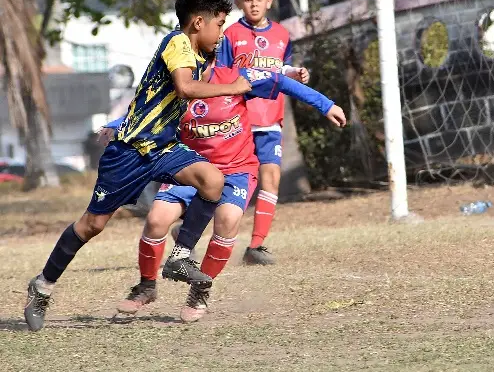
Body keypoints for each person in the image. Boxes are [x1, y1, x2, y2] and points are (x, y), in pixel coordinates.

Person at [23, 0, 252, 332]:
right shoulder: (177, 42)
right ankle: (42, 286)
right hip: (128, 153)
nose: (222, 33)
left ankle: (179, 256)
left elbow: (152, 96)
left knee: (212, 180)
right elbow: (185, 89)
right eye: (219, 25)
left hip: (163, 149)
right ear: (197, 23)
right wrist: (234, 86)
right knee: (92, 226)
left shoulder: (203, 56)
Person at [115, 61, 345, 322]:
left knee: (228, 220)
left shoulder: (238, 77)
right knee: (156, 219)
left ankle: (200, 290)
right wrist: (114, 126)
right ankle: (146, 287)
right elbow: (142, 113)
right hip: (191, 168)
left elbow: (283, 83)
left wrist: (326, 105)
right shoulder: (172, 85)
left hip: (235, 171)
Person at [217, 0, 307, 265]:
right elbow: (220, 76)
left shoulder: (281, 35)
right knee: (225, 183)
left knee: (271, 177)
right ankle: (188, 227)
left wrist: (298, 74)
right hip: (239, 121)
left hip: (270, 119)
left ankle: (256, 247)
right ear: (238, 2)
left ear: (269, 1)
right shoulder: (230, 35)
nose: (254, 5)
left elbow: (284, 69)